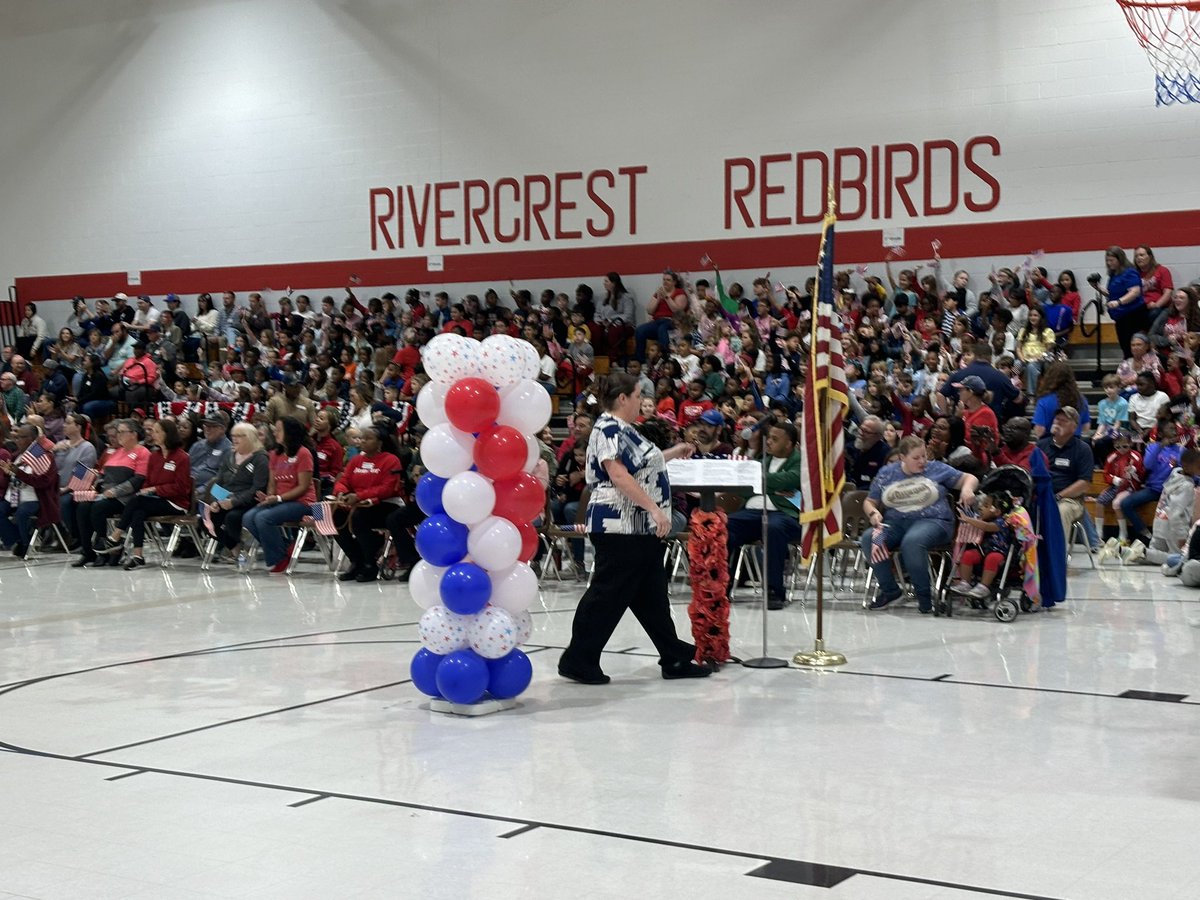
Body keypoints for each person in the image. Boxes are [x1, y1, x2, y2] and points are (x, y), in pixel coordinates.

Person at [558, 371, 710, 684]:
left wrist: (671, 453)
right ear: (623, 398)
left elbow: (638, 467)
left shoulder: (625, 429)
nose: (642, 400)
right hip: (621, 526)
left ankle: (674, 657)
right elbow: (618, 476)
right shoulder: (609, 427)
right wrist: (654, 508)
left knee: (652, 595)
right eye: (638, 394)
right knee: (607, 593)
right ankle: (578, 658)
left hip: (637, 528)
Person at [861, 435, 979, 614]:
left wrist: (967, 488)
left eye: (924, 456)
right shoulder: (887, 473)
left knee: (912, 542)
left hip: (934, 521)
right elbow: (869, 501)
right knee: (870, 537)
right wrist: (873, 512)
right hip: (896, 522)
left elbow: (969, 478)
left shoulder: (937, 469)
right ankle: (890, 589)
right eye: (916, 458)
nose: (922, 461)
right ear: (902, 457)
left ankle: (924, 596)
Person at [724, 420, 804, 610]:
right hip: (751, 513)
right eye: (769, 438)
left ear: (790, 444)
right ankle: (720, 586)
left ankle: (774, 590)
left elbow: (792, 478)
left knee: (773, 527)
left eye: (775, 439)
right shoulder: (762, 460)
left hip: (784, 515)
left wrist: (760, 483)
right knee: (722, 525)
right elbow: (743, 488)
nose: (768, 442)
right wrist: (776, 488)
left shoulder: (801, 462)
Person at [101, 418, 193, 569]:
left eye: (157, 431)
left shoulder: (181, 457)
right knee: (138, 511)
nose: (152, 434)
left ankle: (116, 535)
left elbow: (181, 487)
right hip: (155, 500)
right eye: (152, 431)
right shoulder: (154, 456)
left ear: (167, 434)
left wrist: (155, 490)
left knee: (137, 501)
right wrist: (147, 489)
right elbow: (148, 481)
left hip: (175, 502)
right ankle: (138, 555)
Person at [330, 423, 404, 583]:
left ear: (380, 442)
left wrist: (359, 496)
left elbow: (387, 488)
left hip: (386, 504)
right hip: (357, 503)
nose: (362, 441)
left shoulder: (391, 460)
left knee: (359, 517)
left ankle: (370, 564)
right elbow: (343, 480)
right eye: (361, 438)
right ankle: (357, 560)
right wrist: (341, 492)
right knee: (332, 517)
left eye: (368, 438)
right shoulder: (356, 460)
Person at [243, 416, 317, 574]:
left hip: (303, 503)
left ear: (289, 432)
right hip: (280, 501)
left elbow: (303, 487)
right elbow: (272, 483)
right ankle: (284, 546)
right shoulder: (274, 454)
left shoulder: (303, 453)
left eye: (279, 430)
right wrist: (269, 497)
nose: (275, 433)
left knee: (263, 518)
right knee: (248, 517)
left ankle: (279, 558)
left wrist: (278, 498)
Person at [72, 419, 150, 568]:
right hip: (105, 494)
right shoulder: (117, 451)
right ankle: (88, 551)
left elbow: (139, 479)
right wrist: (95, 486)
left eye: (121, 432)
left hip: (126, 497)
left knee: (98, 508)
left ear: (133, 434)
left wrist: (116, 491)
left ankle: (106, 549)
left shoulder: (142, 452)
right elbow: (102, 474)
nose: (118, 435)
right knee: (82, 507)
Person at [198, 422, 268, 559]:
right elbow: (219, 481)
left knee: (232, 518)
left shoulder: (261, 458)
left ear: (250, 437)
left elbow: (258, 488)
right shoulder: (230, 456)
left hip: (249, 502)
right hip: (226, 500)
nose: (234, 439)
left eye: (239, 436)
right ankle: (234, 547)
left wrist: (233, 502)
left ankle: (238, 553)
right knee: (205, 520)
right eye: (233, 435)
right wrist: (215, 502)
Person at [1120, 448, 1200, 567]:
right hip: (1173, 528)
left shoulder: (1174, 474)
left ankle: (1125, 551)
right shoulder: (1187, 486)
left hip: (1159, 521)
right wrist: (1181, 536)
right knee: (1178, 558)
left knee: (1156, 556)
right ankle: (1142, 551)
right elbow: (1176, 514)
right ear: (1188, 466)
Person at [1035, 406, 1095, 551]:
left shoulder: (1082, 449)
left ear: (1074, 427)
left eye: (1064, 420)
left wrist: (1059, 495)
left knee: (1061, 510)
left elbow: (1084, 483)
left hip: (1069, 500)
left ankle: (1056, 561)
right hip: (1041, 496)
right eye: (1057, 419)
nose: (1058, 422)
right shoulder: (1041, 445)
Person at [1118, 420, 1183, 547]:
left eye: (1174, 428)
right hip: (1154, 489)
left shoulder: (1181, 450)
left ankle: (1173, 543)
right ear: (1161, 433)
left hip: (1172, 491)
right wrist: (1160, 447)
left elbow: (1187, 470)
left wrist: (1178, 465)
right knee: (1125, 504)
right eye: (1170, 428)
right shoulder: (1153, 447)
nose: (1174, 431)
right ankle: (1146, 535)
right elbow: (1147, 465)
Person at [0, 424, 59, 558]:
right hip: (13, 496)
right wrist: (7, 473)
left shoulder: (44, 457)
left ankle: (26, 545)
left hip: (35, 499)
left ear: (33, 439)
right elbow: (12, 476)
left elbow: (43, 482)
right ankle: (17, 540)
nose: (17, 440)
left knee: (23, 512)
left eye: (22, 437)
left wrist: (19, 473)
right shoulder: (17, 456)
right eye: (17, 437)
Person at [948, 491, 1016, 601]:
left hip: (999, 553)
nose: (980, 507)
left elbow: (986, 527)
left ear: (997, 512)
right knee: (968, 555)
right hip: (982, 551)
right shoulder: (981, 519)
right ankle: (965, 583)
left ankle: (983, 586)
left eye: (986, 506)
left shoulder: (1002, 522)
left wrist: (968, 519)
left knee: (992, 558)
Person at [54, 412, 99, 548]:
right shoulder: (60, 444)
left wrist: (65, 489)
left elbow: (82, 474)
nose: (64, 425)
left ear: (78, 427)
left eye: (68, 423)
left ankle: (75, 536)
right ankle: (56, 536)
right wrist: (53, 450)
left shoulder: (87, 448)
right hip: (55, 486)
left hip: (75, 488)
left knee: (64, 501)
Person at [1099, 246, 1146, 359]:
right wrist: (1098, 287)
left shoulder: (1129, 272)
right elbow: (1112, 294)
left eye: (1111, 260)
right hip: (1120, 316)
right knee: (1124, 345)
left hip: (1132, 314)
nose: (1109, 263)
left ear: (1119, 259)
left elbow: (1135, 292)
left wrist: (1119, 302)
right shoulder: (1114, 275)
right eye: (1107, 260)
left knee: (1132, 345)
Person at [633, 270, 689, 362]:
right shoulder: (659, 292)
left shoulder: (680, 292)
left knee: (662, 328)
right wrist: (658, 298)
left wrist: (667, 297)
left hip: (672, 321)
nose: (665, 282)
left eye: (668, 280)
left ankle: (665, 358)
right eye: (664, 279)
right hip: (657, 321)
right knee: (640, 330)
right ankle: (640, 360)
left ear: (674, 282)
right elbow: (649, 310)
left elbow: (677, 310)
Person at [847, 415, 889, 490]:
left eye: (866, 431)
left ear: (878, 436)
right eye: (861, 429)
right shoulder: (849, 448)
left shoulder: (886, 454)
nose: (861, 433)